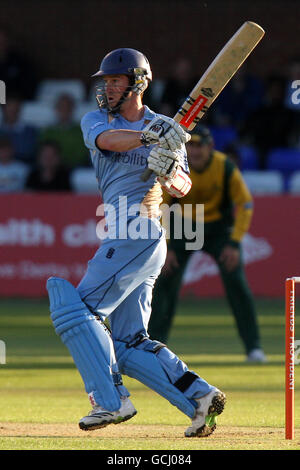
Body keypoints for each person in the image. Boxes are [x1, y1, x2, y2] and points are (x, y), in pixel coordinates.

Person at [46, 48, 226, 438]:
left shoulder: (167, 126)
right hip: (129, 236)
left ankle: (109, 401)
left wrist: (168, 174)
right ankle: (198, 397)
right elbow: (108, 141)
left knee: (75, 312)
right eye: (105, 82)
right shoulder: (98, 120)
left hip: (140, 231)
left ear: (137, 83)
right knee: (127, 343)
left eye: (115, 81)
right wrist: (150, 136)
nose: (107, 88)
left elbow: (182, 185)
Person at [148, 125, 266, 363]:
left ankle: (254, 347)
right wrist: (167, 247)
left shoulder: (224, 167)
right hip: (185, 227)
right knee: (165, 284)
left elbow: (245, 204)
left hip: (219, 229)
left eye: (200, 145)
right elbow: (162, 206)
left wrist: (234, 243)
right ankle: (153, 348)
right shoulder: (178, 167)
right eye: (190, 145)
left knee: (236, 283)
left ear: (210, 147)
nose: (195, 151)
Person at [39, 94, 89, 168]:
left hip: (72, 169)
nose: (64, 110)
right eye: (61, 107)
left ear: (72, 109)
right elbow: (42, 153)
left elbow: (82, 155)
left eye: (67, 107)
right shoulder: (48, 132)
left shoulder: (81, 131)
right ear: (56, 109)